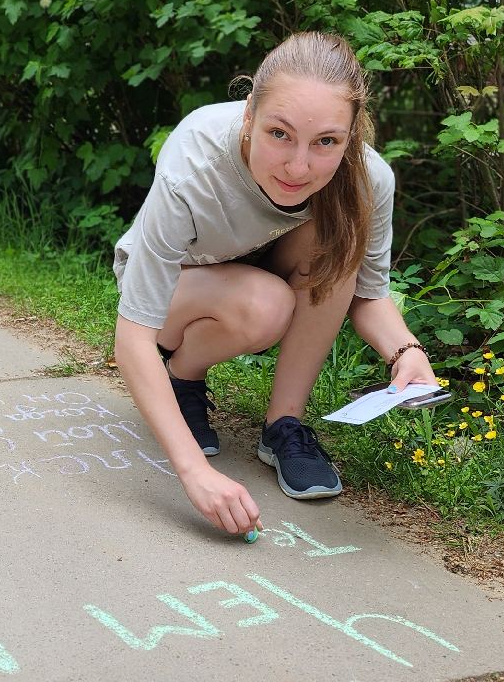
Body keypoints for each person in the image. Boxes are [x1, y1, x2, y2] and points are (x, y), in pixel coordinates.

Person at [111, 32, 438, 535]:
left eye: (326, 142)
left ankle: (284, 425)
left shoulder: (370, 180)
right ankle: (183, 375)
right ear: (248, 115)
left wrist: (404, 352)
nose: (298, 166)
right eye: (279, 134)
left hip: (263, 278)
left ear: (350, 137)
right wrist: (195, 474)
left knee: (336, 236)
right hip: (175, 290)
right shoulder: (196, 156)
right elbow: (132, 334)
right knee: (265, 304)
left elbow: (369, 295)